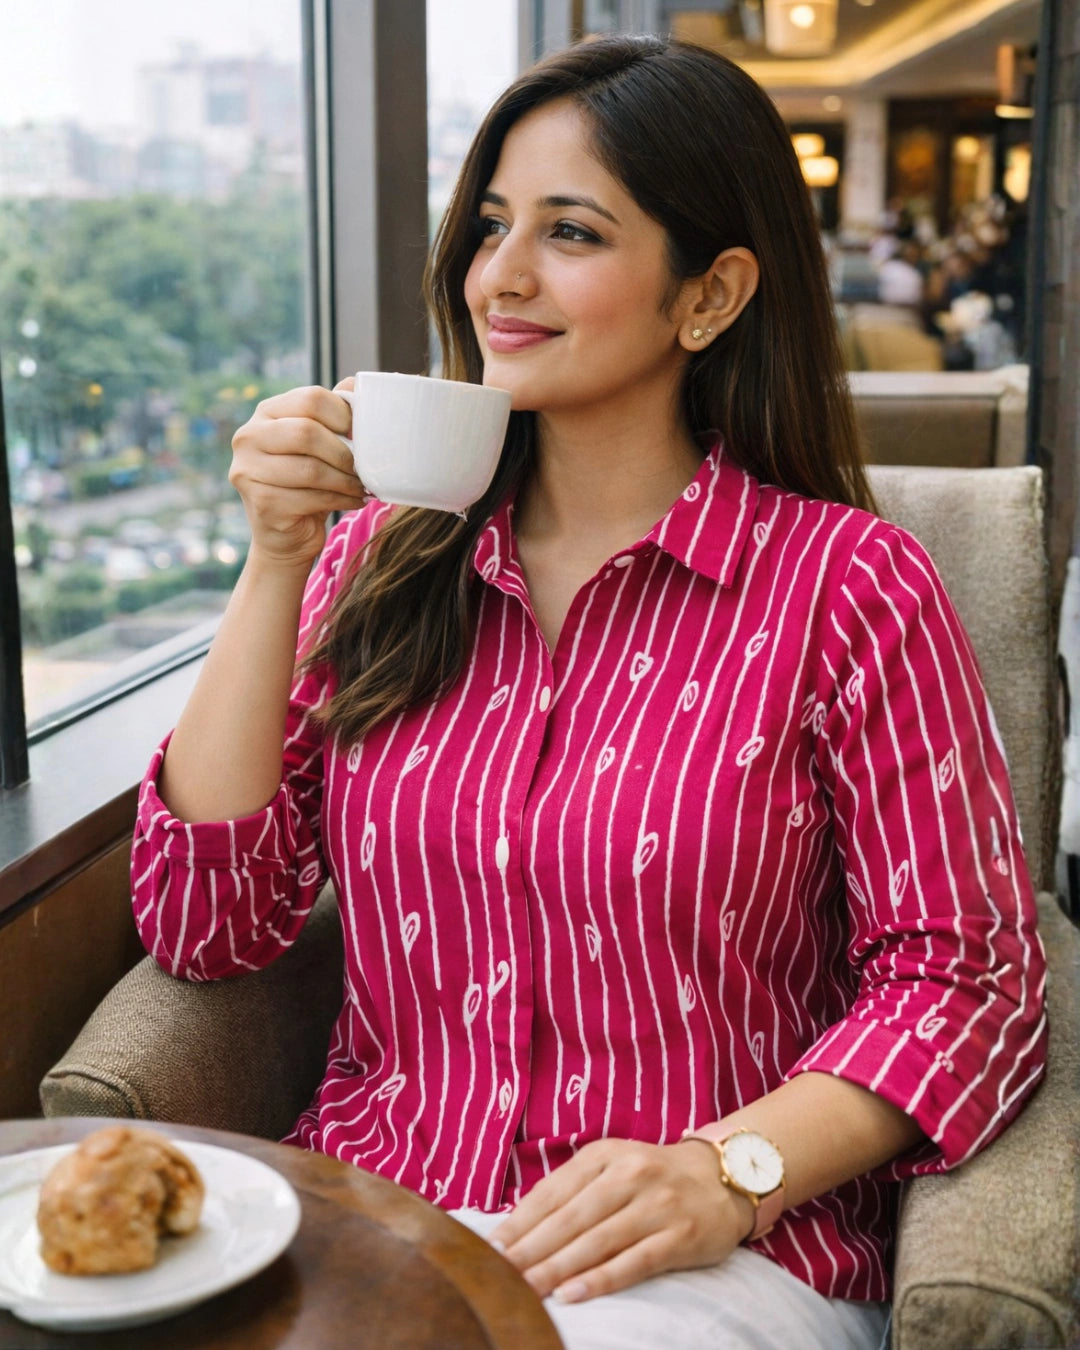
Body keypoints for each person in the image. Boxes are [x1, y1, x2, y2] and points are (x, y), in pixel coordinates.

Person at [131, 35, 1047, 1350]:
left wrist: (727, 1170)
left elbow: (969, 979)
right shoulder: (377, 562)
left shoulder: (853, 589)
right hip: (389, 1214)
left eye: (570, 231)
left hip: (706, 1261)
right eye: (492, 223)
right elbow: (205, 922)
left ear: (710, 295)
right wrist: (275, 561)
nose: (499, 274)